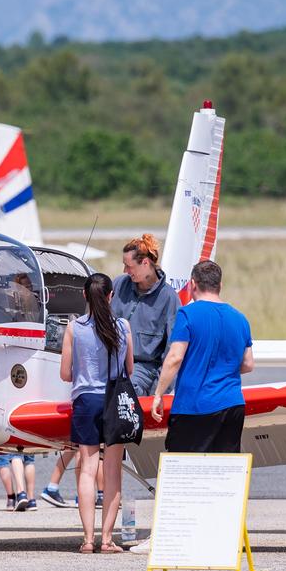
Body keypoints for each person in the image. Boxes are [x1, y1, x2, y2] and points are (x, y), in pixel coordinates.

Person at [61, 273, 133, 553]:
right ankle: (106, 539)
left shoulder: (73, 328)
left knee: (87, 469)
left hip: (86, 401)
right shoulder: (123, 327)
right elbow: (129, 370)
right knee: (113, 471)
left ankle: (88, 539)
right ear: (111, 295)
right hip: (114, 401)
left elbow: (66, 373)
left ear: (84, 296)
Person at [152, 259, 254, 454]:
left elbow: (175, 357)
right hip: (232, 405)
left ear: (193, 284)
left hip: (194, 406)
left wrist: (158, 393)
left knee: (186, 470)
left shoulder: (187, 314)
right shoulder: (240, 318)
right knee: (223, 470)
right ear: (220, 285)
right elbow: (248, 364)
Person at [113, 233, 177, 399]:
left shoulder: (169, 298)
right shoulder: (119, 285)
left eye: (129, 266)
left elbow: (173, 350)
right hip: (112, 361)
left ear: (146, 263)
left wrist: (157, 393)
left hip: (142, 367)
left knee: (125, 392)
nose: (125, 271)